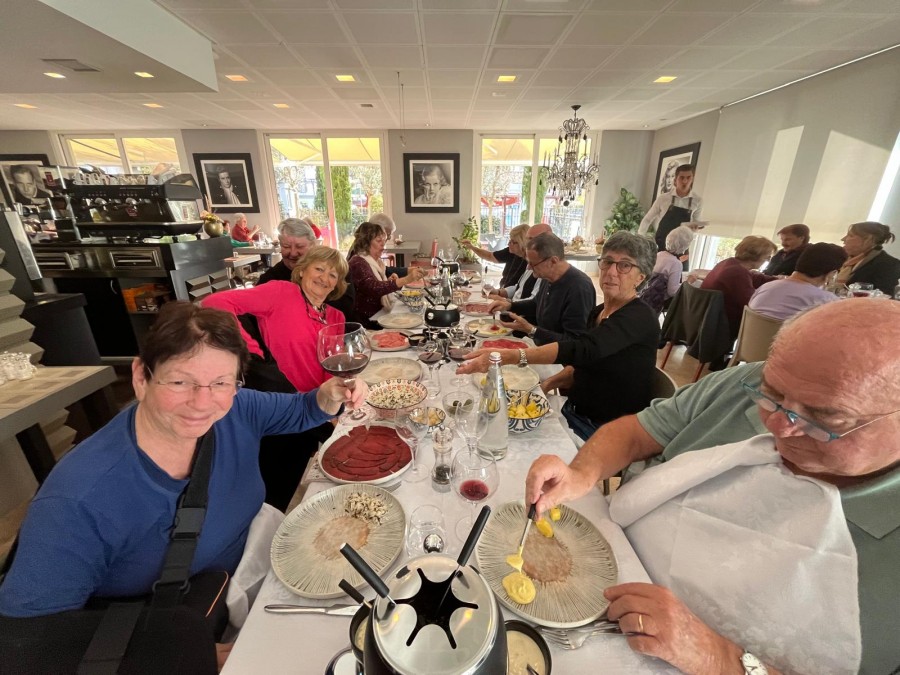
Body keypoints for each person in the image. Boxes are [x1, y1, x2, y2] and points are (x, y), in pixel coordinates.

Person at [525, 298, 900, 675]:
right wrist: (581, 473)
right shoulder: (755, 381)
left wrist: (719, 658)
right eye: (771, 396)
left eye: (825, 418)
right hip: (597, 575)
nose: (777, 426)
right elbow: (636, 432)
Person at [0, 302, 365, 667]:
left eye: (221, 382)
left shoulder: (237, 408)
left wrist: (329, 395)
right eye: (179, 381)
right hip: (182, 629)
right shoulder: (79, 498)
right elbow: (25, 642)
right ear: (140, 377)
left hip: (263, 575)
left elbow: (302, 410)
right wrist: (176, 654)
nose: (202, 402)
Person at [460, 232, 660, 441]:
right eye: (608, 261)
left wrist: (509, 356)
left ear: (641, 277)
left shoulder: (639, 317)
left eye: (624, 265)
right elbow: (584, 363)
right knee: (491, 420)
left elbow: (582, 349)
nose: (611, 272)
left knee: (499, 436)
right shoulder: (600, 311)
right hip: (574, 411)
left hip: (605, 429)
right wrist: (546, 385)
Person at [203, 247, 349, 511]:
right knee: (275, 487)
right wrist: (250, 352)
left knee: (339, 465)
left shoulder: (336, 317)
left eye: (333, 275)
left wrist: (333, 408)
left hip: (318, 406)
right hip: (282, 404)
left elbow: (333, 365)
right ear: (302, 271)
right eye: (319, 269)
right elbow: (214, 304)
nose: (325, 278)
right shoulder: (282, 292)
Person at [488, 232, 596, 346]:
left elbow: (575, 342)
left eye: (532, 264)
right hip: (541, 346)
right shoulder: (547, 276)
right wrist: (509, 306)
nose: (528, 267)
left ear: (553, 261)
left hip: (559, 355)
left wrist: (532, 330)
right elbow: (537, 304)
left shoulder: (579, 287)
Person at [258, 217, 356, 321]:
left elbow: (345, 309)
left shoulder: (336, 269)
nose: (293, 253)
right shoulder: (269, 279)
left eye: (299, 246)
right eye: (286, 246)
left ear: (313, 245)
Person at [701, 235, 777, 342]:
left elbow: (753, 277)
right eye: (767, 257)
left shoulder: (729, 263)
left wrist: (779, 280)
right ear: (756, 256)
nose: (768, 260)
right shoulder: (738, 273)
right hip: (723, 324)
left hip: (708, 319)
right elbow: (752, 304)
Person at [347, 221, 424, 327]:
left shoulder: (377, 262)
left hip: (379, 312)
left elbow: (375, 286)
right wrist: (406, 279)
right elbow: (373, 288)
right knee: (414, 321)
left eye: (384, 240)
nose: (383, 244)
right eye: (379, 240)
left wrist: (388, 282)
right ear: (366, 243)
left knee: (415, 318)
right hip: (368, 321)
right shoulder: (357, 262)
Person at [749, 242, 846, 320]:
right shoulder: (826, 300)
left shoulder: (765, 287)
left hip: (751, 339)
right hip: (787, 339)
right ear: (832, 273)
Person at [638, 164, 702, 255]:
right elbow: (647, 219)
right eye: (682, 178)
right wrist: (640, 239)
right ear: (675, 179)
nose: (685, 181)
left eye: (688, 178)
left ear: (692, 179)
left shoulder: (698, 201)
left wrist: (694, 229)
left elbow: (696, 225)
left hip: (682, 249)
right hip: (660, 246)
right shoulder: (663, 198)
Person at [488, 223, 552, 303]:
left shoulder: (546, 269)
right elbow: (519, 288)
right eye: (527, 239)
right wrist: (499, 292)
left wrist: (507, 303)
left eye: (531, 239)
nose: (527, 243)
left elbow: (534, 302)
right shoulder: (530, 260)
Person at [638, 224, 694, 314]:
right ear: (685, 245)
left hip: (644, 296)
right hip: (657, 301)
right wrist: (688, 282)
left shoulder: (659, 255)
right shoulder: (676, 264)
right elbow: (672, 292)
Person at [837, 221, 900, 295]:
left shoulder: (889, 264)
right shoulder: (840, 257)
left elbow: (884, 296)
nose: (843, 239)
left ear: (869, 240)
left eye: (850, 236)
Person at [461, 224, 529, 290]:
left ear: (522, 243)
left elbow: (520, 290)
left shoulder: (530, 262)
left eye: (512, 242)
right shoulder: (510, 252)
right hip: (502, 291)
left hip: (511, 295)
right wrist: (472, 247)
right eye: (509, 240)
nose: (508, 244)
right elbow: (490, 256)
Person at [368, 212, 408, 277]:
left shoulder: (370, 247)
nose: (389, 238)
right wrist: (406, 278)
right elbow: (374, 281)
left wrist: (407, 270)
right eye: (388, 234)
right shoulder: (363, 252)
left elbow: (383, 270)